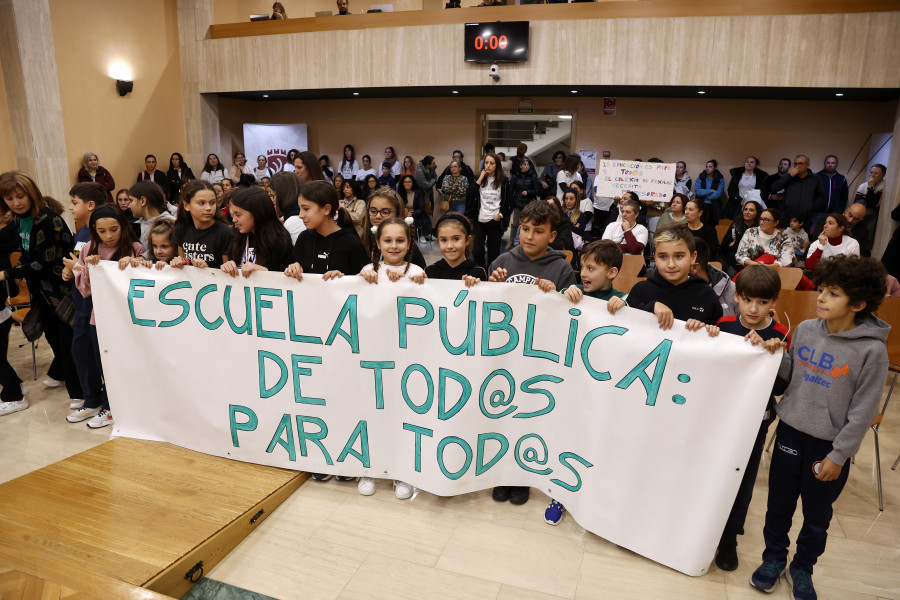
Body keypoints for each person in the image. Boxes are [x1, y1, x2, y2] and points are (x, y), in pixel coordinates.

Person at [748, 255, 889, 600]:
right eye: (822, 289)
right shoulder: (807, 330)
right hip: (791, 433)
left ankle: (802, 567)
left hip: (829, 448)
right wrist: (772, 353)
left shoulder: (872, 352)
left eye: (833, 294)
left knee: (816, 517)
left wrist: (839, 456)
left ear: (857, 303)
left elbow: (863, 411)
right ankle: (773, 558)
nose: (821, 298)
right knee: (778, 506)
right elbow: (787, 376)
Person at [481, 199, 576, 506]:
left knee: (527, 416)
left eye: (538, 230)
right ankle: (499, 472)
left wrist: (558, 297)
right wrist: (492, 287)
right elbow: (484, 309)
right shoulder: (501, 261)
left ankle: (521, 476)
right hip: (503, 354)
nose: (530, 236)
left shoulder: (561, 267)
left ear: (552, 235)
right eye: (525, 229)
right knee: (500, 415)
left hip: (537, 357)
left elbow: (572, 314)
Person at [543, 239, 627, 525]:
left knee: (596, 441)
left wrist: (624, 304)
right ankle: (561, 492)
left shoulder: (622, 300)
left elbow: (637, 329)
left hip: (603, 390)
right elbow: (557, 306)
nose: (585, 274)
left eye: (592, 268)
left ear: (612, 272)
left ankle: (594, 493)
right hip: (571, 385)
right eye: (582, 268)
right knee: (568, 438)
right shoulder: (574, 294)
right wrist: (565, 294)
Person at [713, 265, 789, 571]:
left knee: (742, 478)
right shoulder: (724, 324)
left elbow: (783, 385)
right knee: (713, 470)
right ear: (737, 298)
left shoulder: (780, 333)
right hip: (720, 414)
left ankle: (729, 537)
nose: (753, 309)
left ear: (774, 302)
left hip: (757, 420)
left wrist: (777, 355)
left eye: (761, 302)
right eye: (746, 300)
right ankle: (705, 526)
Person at [0, 173, 82, 405]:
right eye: (9, 199)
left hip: (61, 289)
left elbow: (43, 263)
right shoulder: (19, 219)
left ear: (31, 193)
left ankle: (81, 395)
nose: (16, 203)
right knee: (53, 337)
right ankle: (65, 375)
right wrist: (17, 268)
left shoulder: (47, 219)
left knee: (67, 342)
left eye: (20, 196)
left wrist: (7, 273)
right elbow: (25, 253)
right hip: (42, 291)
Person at [67, 205, 144, 428]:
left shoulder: (135, 248)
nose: (108, 236)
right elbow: (84, 287)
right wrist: (88, 269)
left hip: (122, 318)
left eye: (113, 229)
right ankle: (93, 401)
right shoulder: (89, 248)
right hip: (95, 314)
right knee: (91, 358)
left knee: (113, 362)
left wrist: (133, 265)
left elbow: (141, 281)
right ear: (94, 230)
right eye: (102, 231)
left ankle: (111, 406)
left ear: (123, 227)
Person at [625, 224, 723, 330]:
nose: (671, 264)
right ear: (655, 257)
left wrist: (705, 329)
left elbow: (718, 333)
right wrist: (650, 308)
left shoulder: (707, 294)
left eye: (679, 256)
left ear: (693, 257)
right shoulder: (640, 291)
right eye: (663, 257)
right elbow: (626, 326)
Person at [285, 179, 368, 290]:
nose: (300, 215)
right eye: (299, 209)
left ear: (326, 209)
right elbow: (293, 272)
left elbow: (363, 283)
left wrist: (343, 279)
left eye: (306, 209)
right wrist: (292, 268)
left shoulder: (350, 241)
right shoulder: (304, 238)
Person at [221, 187, 293, 278]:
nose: (234, 220)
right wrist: (229, 266)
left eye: (238, 215)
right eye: (232, 215)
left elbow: (288, 279)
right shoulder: (237, 235)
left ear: (256, 213)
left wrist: (264, 272)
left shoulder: (280, 239)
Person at [171, 180, 234, 269]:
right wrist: (178, 262)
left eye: (212, 203)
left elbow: (229, 271)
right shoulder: (181, 228)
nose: (208, 208)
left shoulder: (224, 232)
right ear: (186, 205)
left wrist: (206, 269)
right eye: (201, 203)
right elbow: (183, 263)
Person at [361, 187, 428, 270]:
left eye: (385, 212)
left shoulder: (408, 249)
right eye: (373, 211)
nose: (378, 216)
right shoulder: (364, 241)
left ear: (398, 214)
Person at [466, 152, 511, 269]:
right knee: (477, 252)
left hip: (494, 221)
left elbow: (508, 202)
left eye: (492, 163)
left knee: (494, 255)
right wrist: (480, 178)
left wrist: (500, 215)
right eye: (486, 163)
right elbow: (470, 195)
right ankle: (482, 272)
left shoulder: (503, 181)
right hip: (479, 220)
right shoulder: (478, 179)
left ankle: (491, 277)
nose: (488, 166)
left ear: (497, 165)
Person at [425, 213, 487, 281]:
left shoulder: (477, 273)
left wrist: (475, 285)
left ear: (467, 240)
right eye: (444, 240)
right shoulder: (430, 271)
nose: (449, 246)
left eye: (456, 239)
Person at [769, 155, 826, 228]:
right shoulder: (789, 177)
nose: (797, 166)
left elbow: (821, 196)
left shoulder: (815, 178)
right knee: (784, 238)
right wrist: (789, 175)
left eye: (800, 164)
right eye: (795, 164)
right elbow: (773, 189)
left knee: (803, 239)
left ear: (808, 165)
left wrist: (811, 207)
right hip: (787, 216)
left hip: (805, 218)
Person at [690, 239, 737, 316]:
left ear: (695, 267)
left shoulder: (732, 289)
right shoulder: (673, 288)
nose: (672, 265)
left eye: (679, 257)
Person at [128, 181, 175, 250]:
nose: (129, 206)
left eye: (131, 201)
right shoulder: (136, 224)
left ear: (143, 201)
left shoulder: (170, 223)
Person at [720, 200, 761, 272]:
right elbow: (724, 247)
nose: (747, 212)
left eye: (751, 210)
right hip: (735, 260)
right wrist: (737, 245)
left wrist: (735, 244)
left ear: (757, 213)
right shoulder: (735, 225)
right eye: (745, 209)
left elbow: (757, 249)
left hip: (754, 261)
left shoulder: (760, 228)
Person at [508, 157, 540, 248]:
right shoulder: (515, 176)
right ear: (521, 166)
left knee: (524, 222)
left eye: (528, 164)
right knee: (515, 222)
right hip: (517, 201)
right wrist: (511, 202)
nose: (527, 166)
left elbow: (537, 190)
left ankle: (520, 241)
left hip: (528, 203)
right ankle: (512, 241)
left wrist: (528, 192)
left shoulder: (532, 176)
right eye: (525, 164)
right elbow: (511, 190)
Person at [813, 155, 849, 232]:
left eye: (833, 163)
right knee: (815, 234)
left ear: (836, 164)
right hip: (817, 213)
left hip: (835, 214)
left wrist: (840, 211)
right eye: (828, 162)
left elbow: (844, 197)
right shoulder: (816, 177)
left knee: (832, 235)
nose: (830, 165)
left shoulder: (842, 179)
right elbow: (811, 195)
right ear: (824, 163)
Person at [854, 164, 886, 246]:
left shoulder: (884, 186)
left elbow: (871, 204)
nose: (872, 175)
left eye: (876, 173)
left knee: (867, 242)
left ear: (883, 175)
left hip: (874, 220)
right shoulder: (863, 186)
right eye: (871, 172)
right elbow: (857, 204)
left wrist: (871, 188)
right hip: (859, 217)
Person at [270, 172, 306, 244]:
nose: (272, 200)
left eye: (273, 195)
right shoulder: (293, 216)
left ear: (283, 194)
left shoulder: (294, 221)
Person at [694, 159, 725, 226]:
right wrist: (710, 190)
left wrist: (705, 195)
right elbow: (698, 191)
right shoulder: (701, 177)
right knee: (700, 223)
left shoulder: (719, 178)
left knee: (713, 224)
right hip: (702, 204)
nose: (707, 168)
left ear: (715, 168)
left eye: (710, 167)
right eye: (707, 166)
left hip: (714, 205)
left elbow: (718, 194)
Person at [399, 174, 430, 240]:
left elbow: (421, 208)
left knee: (415, 219)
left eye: (409, 182)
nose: (407, 183)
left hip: (416, 213)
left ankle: (420, 235)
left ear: (412, 183)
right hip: (404, 214)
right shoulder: (400, 193)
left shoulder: (418, 192)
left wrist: (412, 214)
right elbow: (398, 207)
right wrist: (405, 214)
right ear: (403, 184)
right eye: (406, 182)